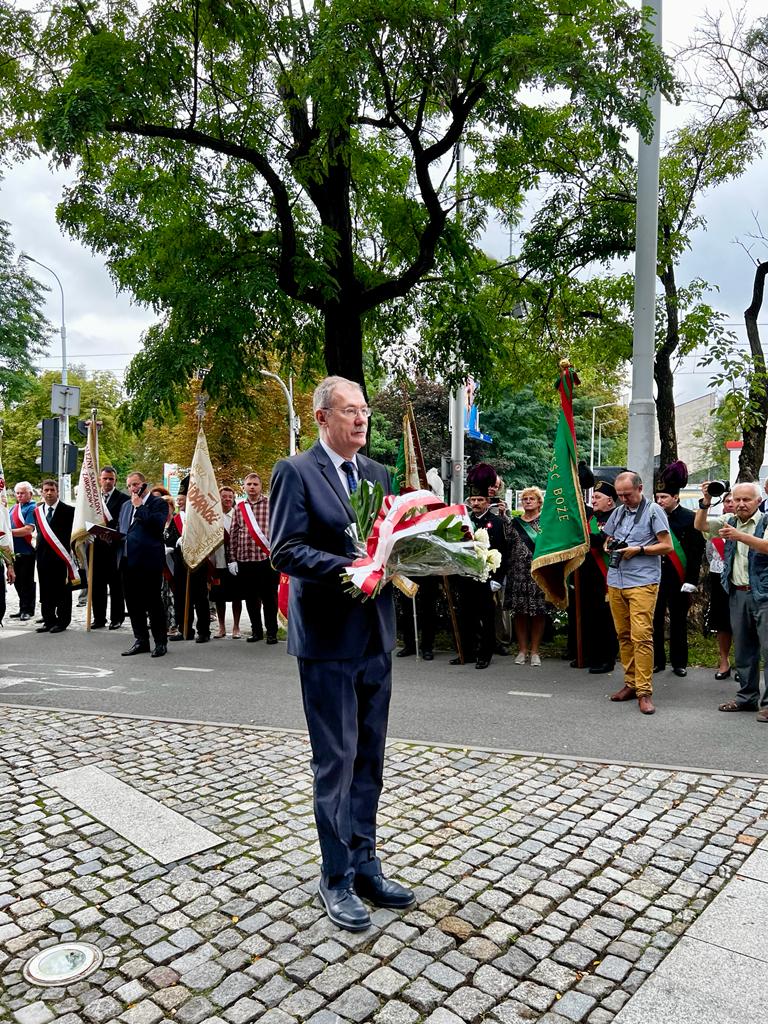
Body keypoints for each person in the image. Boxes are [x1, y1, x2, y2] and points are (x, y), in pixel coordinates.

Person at [270, 375, 414, 933]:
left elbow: (389, 543)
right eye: (350, 411)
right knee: (336, 761)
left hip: (376, 637)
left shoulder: (377, 475)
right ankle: (335, 877)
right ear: (322, 418)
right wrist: (352, 569)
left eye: (365, 411)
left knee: (370, 761)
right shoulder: (296, 472)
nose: (361, 419)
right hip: (327, 642)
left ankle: (366, 864)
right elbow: (287, 550)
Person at [695, 481, 768, 719]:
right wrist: (705, 502)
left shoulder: (764, 521)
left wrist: (739, 536)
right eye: (737, 499)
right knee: (744, 650)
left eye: (746, 499)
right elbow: (701, 525)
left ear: (758, 501)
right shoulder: (730, 521)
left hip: (764, 595)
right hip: (737, 592)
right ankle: (747, 697)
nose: (740, 504)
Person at [604, 471, 672, 716]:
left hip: (643, 581)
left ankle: (645, 691)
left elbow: (667, 546)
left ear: (640, 488)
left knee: (641, 635)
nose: (624, 499)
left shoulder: (654, 511)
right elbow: (609, 538)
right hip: (616, 580)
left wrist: (640, 549)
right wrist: (608, 545)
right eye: (620, 495)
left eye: (628, 494)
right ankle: (630, 683)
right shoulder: (618, 512)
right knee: (623, 634)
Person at [450, 463, 508, 670]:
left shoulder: (496, 522)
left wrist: (498, 580)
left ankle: (485, 654)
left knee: (486, 617)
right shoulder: (464, 521)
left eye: (480, 500)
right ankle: (466, 652)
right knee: (466, 616)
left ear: (487, 501)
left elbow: (503, 552)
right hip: (466, 576)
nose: (476, 503)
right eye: (473, 500)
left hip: (486, 578)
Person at [652, 462, 705, 678]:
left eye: (663, 497)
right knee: (654, 620)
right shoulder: (653, 515)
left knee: (678, 621)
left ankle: (679, 662)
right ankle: (657, 661)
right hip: (655, 576)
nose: (659, 501)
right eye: (657, 497)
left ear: (675, 497)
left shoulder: (689, 518)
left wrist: (691, 580)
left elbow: (695, 552)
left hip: (679, 577)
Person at [118, 471, 169, 658]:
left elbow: (157, 526)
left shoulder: (158, 503)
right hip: (126, 560)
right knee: (133, 603)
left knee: (153, 602)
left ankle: (161, 642)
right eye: (130, 485)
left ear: (144, 484)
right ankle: (141, 640)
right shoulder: (125, 506)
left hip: (148, 561)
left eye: (136, 484)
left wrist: (140, 507)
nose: (133, 488)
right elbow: (122, 529)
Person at [229, 472, 278, 644]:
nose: (252, 487)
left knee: (269, 598)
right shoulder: (239, 508)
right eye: (249, 484)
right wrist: (232, 559)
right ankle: (256, 631)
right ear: (244, 486)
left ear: (260, 486)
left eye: (255, 484)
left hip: (267, 559)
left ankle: (271, 632)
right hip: (245, 560)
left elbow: (279, 530)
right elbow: (233, 534)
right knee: (250, 598)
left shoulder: (272, 504)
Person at [579, 476, 620, 673]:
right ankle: (589, 655)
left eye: (597, 497)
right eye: (593, 497)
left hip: (608, 576)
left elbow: (604, 541)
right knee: (589, 617)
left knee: (606, 621)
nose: (593, 500)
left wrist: (583, 536)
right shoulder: (591, 518)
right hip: (588, 576)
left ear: (610, 500)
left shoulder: (618, 517)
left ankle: (607, 659)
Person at [505, 486, 549, 666]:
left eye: (532, 498)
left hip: (539, 574)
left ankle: (535, 651)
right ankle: (522, 650)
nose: (528, 501)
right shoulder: (513, 523)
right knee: (520, 612)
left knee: (538, 613)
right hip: (518, 574)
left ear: (539, 502)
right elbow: (507, 545)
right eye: (525, 499)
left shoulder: (546, 523)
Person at [34, 479, 76, 634]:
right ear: (42, 492)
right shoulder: (37, 511)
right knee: (45, 589)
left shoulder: (69, 511)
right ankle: (48, 620)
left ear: (57, 491)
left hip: (61, 557)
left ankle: (62, 621)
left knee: (62, 590)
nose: (49, 493)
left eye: (52, 489)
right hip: (43, 557)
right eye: (46, 490)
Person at [90, 466, 129, 629]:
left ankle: (117, 618)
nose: (107, 481)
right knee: (97, 585)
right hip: (95, 547)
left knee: (116, 586)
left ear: (115, 480)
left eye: (110, 479)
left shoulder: (123, 499)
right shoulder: (92, 498)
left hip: (114, 549)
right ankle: (99, 618)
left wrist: (113, 537)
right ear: (99, 479)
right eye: (105, 478)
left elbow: (124, 522)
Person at [705, 493, 735, 679]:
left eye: (734, 500)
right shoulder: (716, 527)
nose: (731, 504)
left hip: (741, 579)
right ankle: (724, 661)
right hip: (718, 577)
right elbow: (709, 553)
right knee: (723, 622)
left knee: (743, 624)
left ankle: (744, 663)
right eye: (727, 501)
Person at [211, 486, 242, 639]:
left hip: (234, 562)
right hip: (218, 561)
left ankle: (236, 627)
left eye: (230, 496)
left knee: (236, 595)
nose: (228, 499)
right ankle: (221, 627)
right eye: (224, 496)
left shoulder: (238, 515)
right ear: (219, 498)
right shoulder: (213, 517)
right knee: (219, 596)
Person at [9, 481, 37, 621]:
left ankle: (28, 609)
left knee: (26, 581)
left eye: (23, 493)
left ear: (30, 494)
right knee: (17, 581)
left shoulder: (33, 508)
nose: (19, 495)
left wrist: (8, 532)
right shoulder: (13, 508)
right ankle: (22, 607)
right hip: (14, 551)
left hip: (27, 550)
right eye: (18, 493)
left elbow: (28, 530)